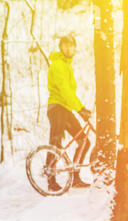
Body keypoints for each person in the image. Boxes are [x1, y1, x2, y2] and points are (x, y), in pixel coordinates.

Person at [46, 35, 91, 191]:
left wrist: (81, 108)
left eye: (71, 46)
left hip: (65, 108)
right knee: (56, 143)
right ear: (60, 48)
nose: (68, 48)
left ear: (74, 48)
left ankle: (75, 177)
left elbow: (69, 93)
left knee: (84, 141)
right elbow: (64, 90)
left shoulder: (67, 66)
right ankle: (50, 180)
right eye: (65, 45)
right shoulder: (58, 65)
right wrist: (80, 109)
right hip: (57, 108)